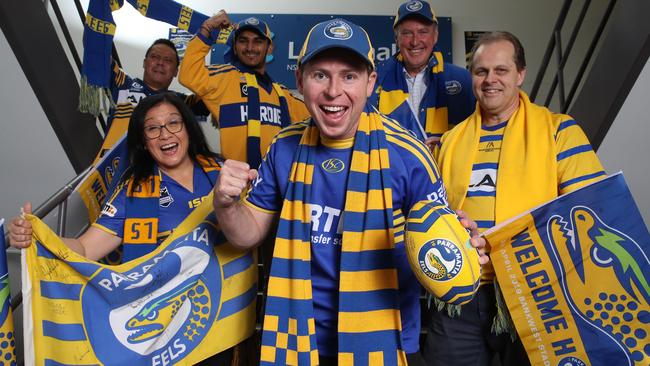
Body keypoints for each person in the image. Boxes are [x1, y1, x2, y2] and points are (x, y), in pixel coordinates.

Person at [212, 18, 488, 365]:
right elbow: (247, 233)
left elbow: (441, 239)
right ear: (300, 80)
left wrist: (462, 248)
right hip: (298, 339)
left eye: (349, 76)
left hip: (386, 340)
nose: (333, 91)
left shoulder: (409, 154)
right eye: (320, 75)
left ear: (370, 82)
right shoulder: (284, 146)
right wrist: (225, 203)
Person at [424, 31, 607, 366]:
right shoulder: (449, 141)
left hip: (537, 296)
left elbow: (592, 212)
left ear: (520, 74)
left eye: (501, 70)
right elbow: (431, 214)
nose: (490, 79)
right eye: (481, 72)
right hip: (461, 295)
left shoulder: (559, 132)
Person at [10, 93, 231, 365]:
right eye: (153, 128)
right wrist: (39, 238)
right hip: (158, 332)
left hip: (216, 319)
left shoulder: (223, 173)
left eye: (174, 123)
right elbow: (86, 248)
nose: (165, 135)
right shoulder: (132, 191)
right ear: (142, 140)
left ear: (187, 127)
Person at [179, 11, 310, 169]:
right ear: (235, 47)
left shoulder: (282, 94)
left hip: (278, 188)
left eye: (258, 41)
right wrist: (207, 27)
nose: (250, 47)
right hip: (237, 188)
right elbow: (188, 75)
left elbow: (316, 119)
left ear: (269, 48)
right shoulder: (224, 79)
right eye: (243, 41)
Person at [371, 0, 475, 149]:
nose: (415, 41)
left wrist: (445, 143)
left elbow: (478, 132)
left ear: (436, 36)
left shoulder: (464, 80)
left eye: (423, 32)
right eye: (407, 33)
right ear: (396, 38)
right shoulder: (375, 80)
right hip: (392, 170)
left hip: (445, 169)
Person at [99, 39, 207, 159]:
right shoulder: (123, 84)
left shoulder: (182, 102)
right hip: (112, 169)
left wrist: (206, 36)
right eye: (155, 57)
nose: (160, 62)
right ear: (145, 62)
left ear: (176, 71)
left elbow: (215, 93)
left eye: (168, 60)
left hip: (159, 172)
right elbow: (97, 51)